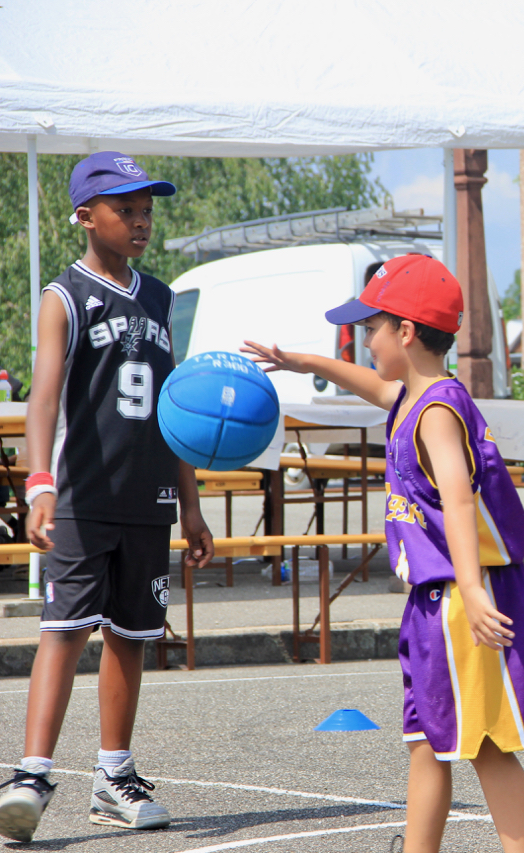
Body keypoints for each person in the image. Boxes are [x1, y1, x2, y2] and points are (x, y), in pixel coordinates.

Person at [242, 254, 524, 853]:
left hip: (464, 597)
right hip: (437, 597)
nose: (363, 340)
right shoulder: (411, 397)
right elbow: (375, 386)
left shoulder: (436, 412)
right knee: (427, 742)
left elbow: (458, 499)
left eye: (370, 328)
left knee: (486, 746)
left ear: (405, 331)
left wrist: (472, 589)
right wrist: (300, 361)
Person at [0, 152, 214, 843]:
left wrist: (191, 503)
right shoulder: (64, 296)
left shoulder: (161, 299)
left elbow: (176, 410)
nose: (141, 221)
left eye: (147, 210)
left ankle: (113, 775)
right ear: (86, 216)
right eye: (126, 209)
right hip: (82, 497)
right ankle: (31, 776)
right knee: (64, 629)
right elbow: (43, 398)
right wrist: (39, 483)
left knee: (131, 635)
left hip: (149, 498)